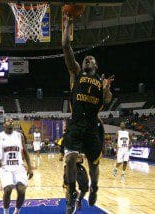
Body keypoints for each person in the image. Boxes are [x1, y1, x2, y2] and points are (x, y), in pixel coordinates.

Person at [62, 14, 114, 213]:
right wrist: (69, 24)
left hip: (93, 126)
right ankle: (73, 193)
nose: (87, 60)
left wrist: (107, 87)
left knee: (94, 164)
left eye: (91, 59)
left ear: (96, 66)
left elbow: (107, 100)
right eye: (86, 59)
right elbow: (66, 47)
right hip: (76, 123)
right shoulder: (76, 72)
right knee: (70, 158)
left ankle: (94, 188)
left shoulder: (101, 83)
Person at [0, 117, 33, 214]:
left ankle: (16, 211)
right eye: (8, 121)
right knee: (8, 189)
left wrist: (30, 168)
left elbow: (26, 152)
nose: (11, 122)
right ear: (4, 124)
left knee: (22, 190)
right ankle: (6, 212)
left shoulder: (20, 136)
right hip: (5, 167)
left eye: (12, 121)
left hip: (18, 167)